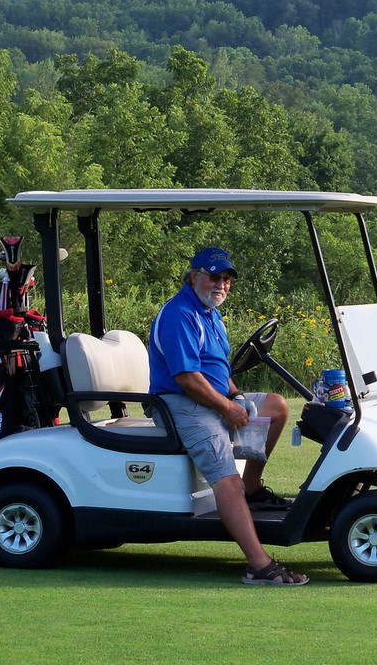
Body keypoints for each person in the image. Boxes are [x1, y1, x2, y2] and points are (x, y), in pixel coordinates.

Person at [149, 247, 308, 586]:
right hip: (181, 403)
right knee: (227, 479)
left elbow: (216, 369)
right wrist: (227, 408)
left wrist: (235, 396)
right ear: (194, 276)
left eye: (226, 279)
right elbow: (188, 379)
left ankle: (252, 488)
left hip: (212, 398)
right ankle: (259, 564)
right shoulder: (180, 314)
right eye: (213, 277)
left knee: (277, 407)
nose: (220, 284)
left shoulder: (210, 314)